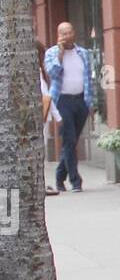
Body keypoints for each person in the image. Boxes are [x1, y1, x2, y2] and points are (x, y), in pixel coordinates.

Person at [43, 21, 94, 192]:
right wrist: (61, 54)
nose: (65, 36)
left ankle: (59, 177)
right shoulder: (51, 53)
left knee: (71, 143)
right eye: (62, 33)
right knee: (70, 140)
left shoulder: (84, 54)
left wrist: (90, 103)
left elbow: (89, 79)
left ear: (74, 33)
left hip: (81, 101)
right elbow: (53, 73)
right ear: (58, 36)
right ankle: (76, 181)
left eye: (68, 32)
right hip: (62, 101)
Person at [37, 40, 61, 196]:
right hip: (40, 118)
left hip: (41, 117)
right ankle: (40, 185)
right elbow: (46, 95)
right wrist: (57, 116)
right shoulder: (35, 72)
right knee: (39, 153)